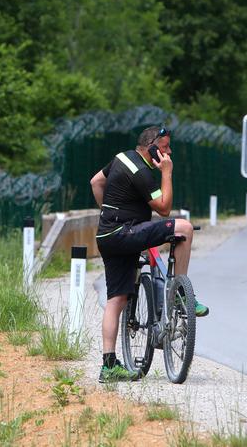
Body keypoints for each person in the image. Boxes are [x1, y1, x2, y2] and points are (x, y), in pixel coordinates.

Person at [88, 125, 208, 383]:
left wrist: (106, 212)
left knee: (116, 299)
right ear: (152, 147)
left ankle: (109, 366)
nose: (169, 152)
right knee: (185, 228)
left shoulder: (121, 158)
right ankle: (180, 294)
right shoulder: (141, 171)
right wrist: (167, 172)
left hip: (108, 236)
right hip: (126, 232)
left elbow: (96, 182)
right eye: (165, 147)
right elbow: (164, 208)